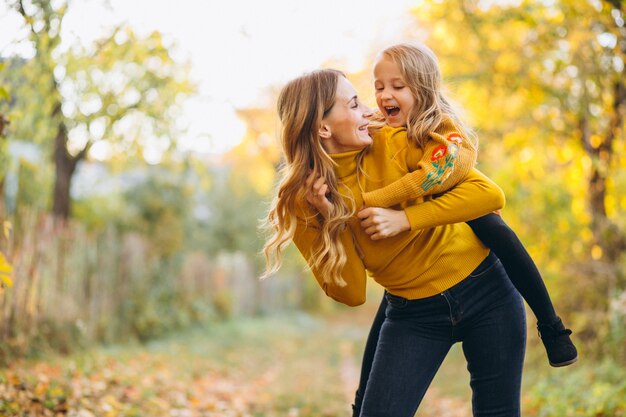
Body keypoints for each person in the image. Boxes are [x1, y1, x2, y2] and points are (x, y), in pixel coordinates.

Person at [263, 68, 526, 417]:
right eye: (354, 105)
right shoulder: (303, 201)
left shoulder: (392, 138)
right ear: (323, 128)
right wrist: (333, 221)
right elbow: (353, 293)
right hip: (413, 314)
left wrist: (405, 218)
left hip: (487, 290)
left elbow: (488, 195)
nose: (369, 111)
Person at [342, 43, 577, 416]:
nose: (384, 95)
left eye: (398, 86)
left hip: (486, 286)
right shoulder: (379, 133)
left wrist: (394, 207)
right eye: (379, 87)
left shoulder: (441, 129)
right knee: (397, 283)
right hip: (413, 304)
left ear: (424, 88)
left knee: (492, 226)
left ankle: (551, 326)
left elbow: (483, 190)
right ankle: (360, 403)